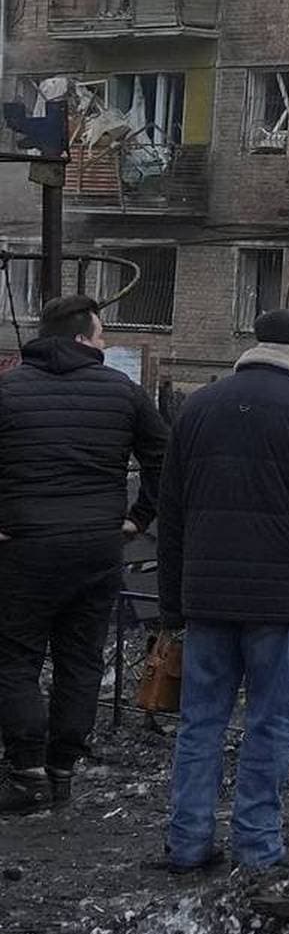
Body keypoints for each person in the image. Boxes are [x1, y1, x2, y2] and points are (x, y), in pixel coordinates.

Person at [157, 308, 289, 873]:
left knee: (200, 722)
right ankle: (257, 847)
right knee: (272, 724)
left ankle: (187, 843)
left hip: (207, 599)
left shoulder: (198, 408)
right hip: (286, 602)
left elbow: (171, 514)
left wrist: (173, 604)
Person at [0, 293, 168, 813]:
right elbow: (165, 458)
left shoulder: (8, 390)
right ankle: (62, 770)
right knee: (80, 659)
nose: (104, 342)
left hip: (23, 547)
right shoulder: (122, 391)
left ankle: (26, 772)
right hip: (97, 547)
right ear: (81, 338)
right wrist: (138, 518)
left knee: (15, 659)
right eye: (100, 334)